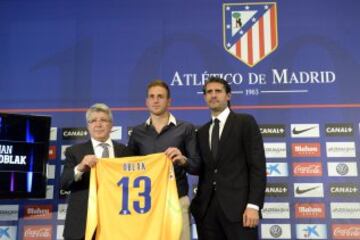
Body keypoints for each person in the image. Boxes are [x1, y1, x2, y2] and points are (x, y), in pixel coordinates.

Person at [190, 77, 266, 240]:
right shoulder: (202, 132)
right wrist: (183, 160)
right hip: (207, 212)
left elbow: (257, 167)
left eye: (218, 91)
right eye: (209, 92)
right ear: (204, 97)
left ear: (228, 96)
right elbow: (200, 168)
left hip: (239, 211)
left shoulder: (245, 122)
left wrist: (254, 205)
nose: (213, 95)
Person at [127, 80, 201, 240]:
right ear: (146, 101)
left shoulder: (186, 128)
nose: (155, 100)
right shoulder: (137, 132)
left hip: (177, 200)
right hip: (146, 205)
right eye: (152, 97)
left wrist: (183, 160)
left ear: (169, 101)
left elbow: (197, 166)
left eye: (160, 96)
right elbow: (128, 169)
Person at [60, 103, 132, 240]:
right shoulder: (74, 152)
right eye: (93, 121)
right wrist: (80, 167)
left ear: (111, 125)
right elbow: (63, 183)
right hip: (82, 226)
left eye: (103, 120)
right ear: (88, 126)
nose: (98, 124)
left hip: (118, 223)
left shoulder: (125, 152)